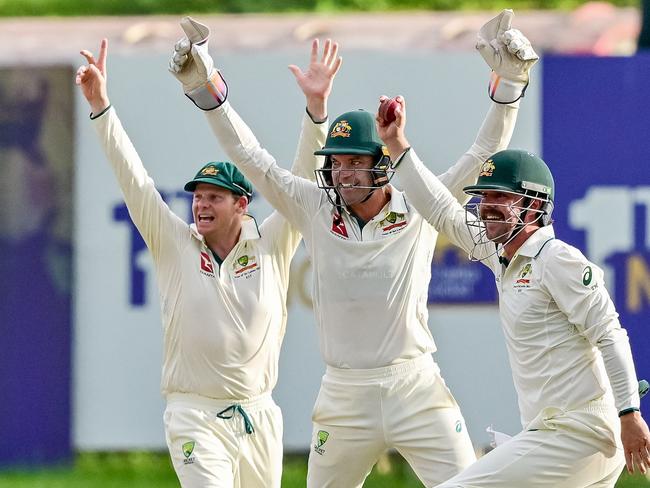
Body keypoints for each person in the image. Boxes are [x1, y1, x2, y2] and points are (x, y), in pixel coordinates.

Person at [168, 11, 537, 487]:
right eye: (335, 163)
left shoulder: (419, 204)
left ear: (382, 165)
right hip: (344, 394)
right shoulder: (314, 207)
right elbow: (250, 158)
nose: (341, 173)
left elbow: (483, 152)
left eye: (353, 163)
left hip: (415, 386)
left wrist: (510, 83)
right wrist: (205, 88)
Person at [75, 31, 341, 487]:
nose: (201, 205)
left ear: (242, 205)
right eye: (197, 196)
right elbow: (135, 182)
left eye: (214, 197)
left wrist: (317, 111)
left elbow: (301, 181)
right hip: (193, 412)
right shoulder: (174, 242)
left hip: (258, 414)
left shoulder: (273, 242)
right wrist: (101, 107)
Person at [378, 94, 650, 486]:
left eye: (500, 196)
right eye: (484, 196)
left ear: (534, 205)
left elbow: (609, 334)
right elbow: (440, 210)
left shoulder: (558, 259)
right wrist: (396, 145)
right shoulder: (502, 256)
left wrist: (630, 413)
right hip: (558, 434)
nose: (486, 206)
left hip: (577, 433)